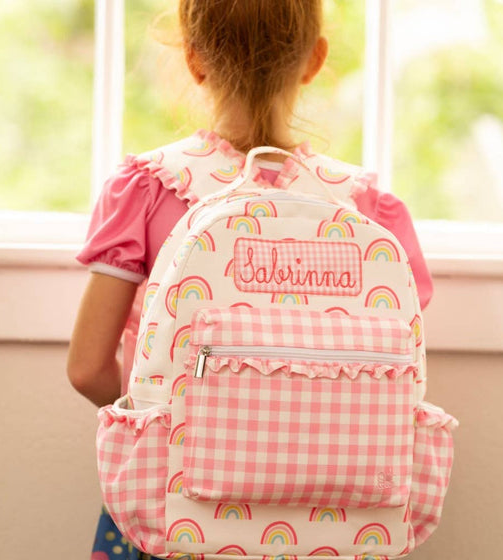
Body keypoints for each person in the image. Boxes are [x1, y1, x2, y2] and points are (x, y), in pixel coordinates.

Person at [67, 1, 433, 559]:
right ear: (315, 59)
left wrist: (169, 417)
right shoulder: (366, 208)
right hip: (335, 519)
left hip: (180, 504)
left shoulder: (149, 189)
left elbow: (88, 366)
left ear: (193, 60)